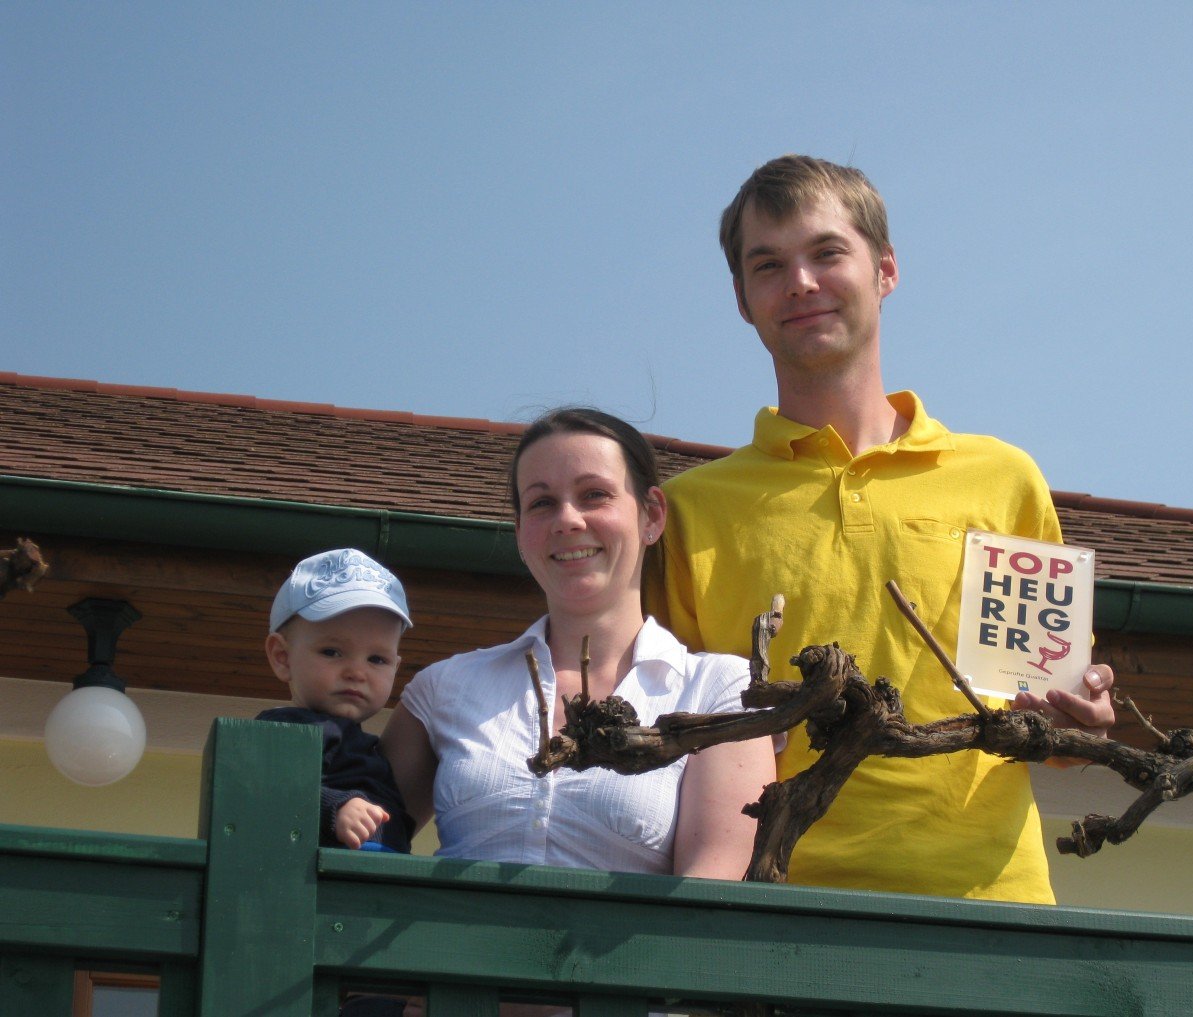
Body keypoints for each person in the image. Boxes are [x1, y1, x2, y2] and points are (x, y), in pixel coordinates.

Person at [651, 155, 1115, 904]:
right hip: (760, 914)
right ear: (742, 300)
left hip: (988, 907)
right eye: (768, 265)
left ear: (886, 270)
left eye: (827, 252)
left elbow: (1053, 716)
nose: (800, 282)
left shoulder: (1004, 479)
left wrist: (1077, 718)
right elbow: (663, 729)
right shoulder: (691, 511)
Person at [381, 408, 775, 878]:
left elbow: (710, 889)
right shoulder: (443, 689)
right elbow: (355, 838)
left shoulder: (721, 694)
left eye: (594, 495)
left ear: (651, 515)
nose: (567, 520)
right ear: (520, 532)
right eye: (542, 503)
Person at [259, 547, 415, 854]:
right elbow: (269, 794)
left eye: (377, 659)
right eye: (332, 652)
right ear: (282, 657)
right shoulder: (287, 730)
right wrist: (336, 807)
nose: (357, 672)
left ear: (396, 668)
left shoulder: (371, 747)